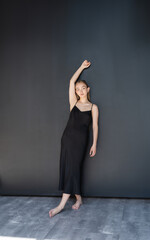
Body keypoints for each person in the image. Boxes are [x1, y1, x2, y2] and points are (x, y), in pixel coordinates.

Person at [49, 60, 99, 218]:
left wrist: (94, 144)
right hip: (67, 140)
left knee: (74, 169)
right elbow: (71, 81)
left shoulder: (93, 107)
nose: (80, 91)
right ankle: (78, 199)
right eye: (78, 89)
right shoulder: (73, 103)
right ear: (76, 92)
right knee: (71, 169)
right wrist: (82, 67)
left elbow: (95, 126)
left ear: (88, 89)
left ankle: (61, 205)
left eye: (83, 88)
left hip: (80, 143)